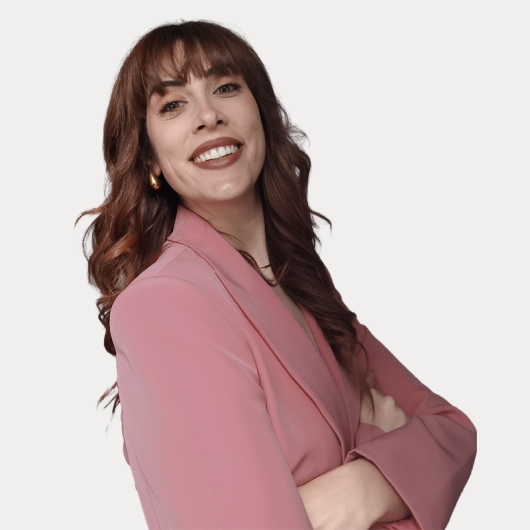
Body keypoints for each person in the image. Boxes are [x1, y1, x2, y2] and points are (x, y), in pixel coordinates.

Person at [80, 20, 476, 529]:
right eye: (173, 104)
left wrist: (361, 486)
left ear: (262, 116)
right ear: (150, 160)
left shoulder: (305, 288)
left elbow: (452, 433)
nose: (208, 115)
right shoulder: (164, 305)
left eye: (226, 87)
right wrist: (385, 452)